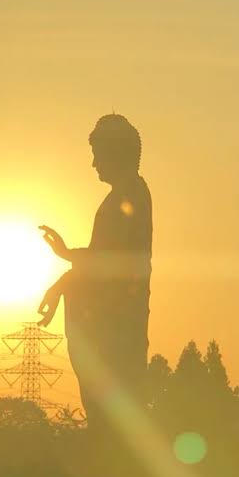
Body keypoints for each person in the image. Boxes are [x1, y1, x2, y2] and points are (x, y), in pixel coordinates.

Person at [38, 114, 152, 437]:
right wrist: (62, 282)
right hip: (113, 327)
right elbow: (101, 259)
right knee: (106, 419)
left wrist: (65, 258)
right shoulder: (123, 197)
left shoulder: (130, 197)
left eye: (98, 154)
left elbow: (110, 262)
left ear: (117, 153)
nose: (93, 164)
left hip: (118, 331)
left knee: (112, 421)